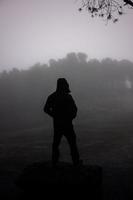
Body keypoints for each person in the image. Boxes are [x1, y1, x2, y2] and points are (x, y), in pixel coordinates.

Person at [44, 78, 81, 166]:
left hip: (57, 125)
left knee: (56, 144)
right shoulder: (67, 97)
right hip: (67, 124)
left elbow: (46, 109)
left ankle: (54, 161)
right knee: (72, 144)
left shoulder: (52, 96)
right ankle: (76, 162)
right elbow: (74, 109)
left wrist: (55, 116)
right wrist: (71, 117)